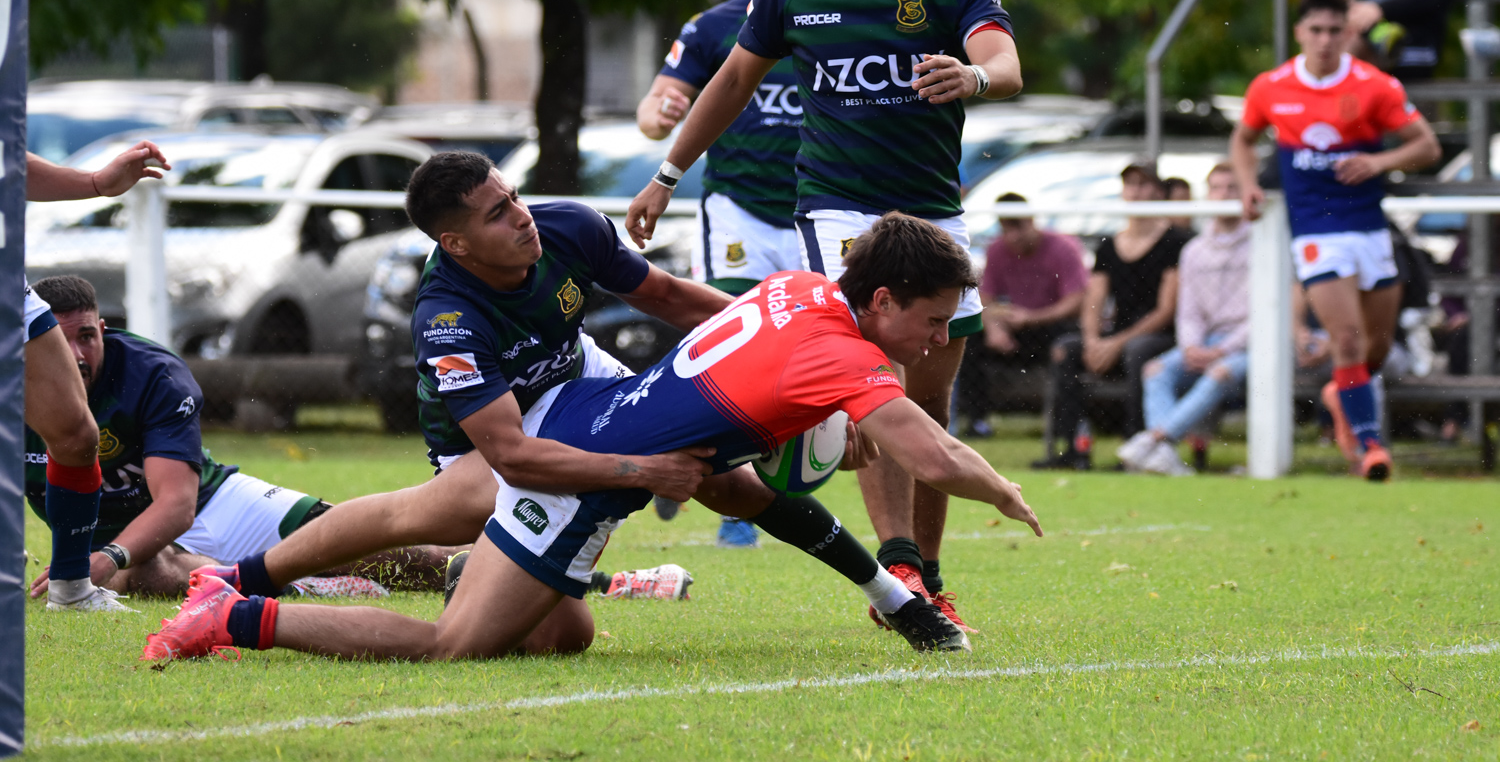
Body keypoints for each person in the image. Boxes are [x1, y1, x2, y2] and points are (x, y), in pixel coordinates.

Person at [142, 214, 1043, 663]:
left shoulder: (803, 290)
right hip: (561, 459)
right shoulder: (446, 311)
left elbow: (742, 345)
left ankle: (897, 600)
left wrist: (812, 413)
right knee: (455, 635)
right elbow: (930, 454)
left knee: (574, 627)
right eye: (931, 320)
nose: (936, 340)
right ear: (881, 301)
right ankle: (233, 611)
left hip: (595, 399)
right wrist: (1001, 489)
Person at [218, 153, 926, 641]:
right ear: (456, 244)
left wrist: (800, 354)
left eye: (514, 197)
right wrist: (643, 473)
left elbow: (669, 296)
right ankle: (243, 580)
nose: (521, 217)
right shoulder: (448, 318)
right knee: (476, 544)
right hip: (491, 434)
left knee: (730, 484)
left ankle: (889, 594)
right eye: (497, 214)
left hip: (577, 375)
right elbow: (513, 455)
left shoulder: (566, 225)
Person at [625, 0, 1022, 633]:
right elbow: (733, 81)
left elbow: (1007, 64)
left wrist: (974, 76)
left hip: (933, 209)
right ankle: (899, 567)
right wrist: (667, 174)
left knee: (932, 395)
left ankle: (928, 571)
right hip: (838, 207)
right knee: (876, 380)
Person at [636, 0, 837, 547]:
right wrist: (658, 113)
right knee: (732, 344)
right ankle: (724, 492)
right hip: (739, 213)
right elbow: (658, 103)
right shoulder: (718, 25)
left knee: (805, 355)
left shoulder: (842, 21)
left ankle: (699, 463)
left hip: (816, 216)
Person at [22, 276, 400, 599]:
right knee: (142, 570)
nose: (76, 356)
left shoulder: (152, 373)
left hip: (212, 503)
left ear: (102, 331)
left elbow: (176, 505)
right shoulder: (13, 396)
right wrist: (104, 557)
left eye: (86, 337)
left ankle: (457, 562)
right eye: (60, 342)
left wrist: (106, 559)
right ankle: (298, 588)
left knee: (392, 555)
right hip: (117, 540)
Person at [1231, 0, 1441, 480]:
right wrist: (1246, 186)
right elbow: (1242, 139)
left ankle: (1341, 394)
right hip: (1315, 231)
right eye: (1316, 30)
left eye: (1335, 31)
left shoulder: (1375, 85)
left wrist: (1378, 161)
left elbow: (1427, 146)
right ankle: (1371, 446)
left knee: (1375, 347)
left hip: (1369, 227)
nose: (1325, 40)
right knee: (1345, 340)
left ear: (1348, 34)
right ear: (1300, 33)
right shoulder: (1271, 86)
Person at [23, 140, 172, 611]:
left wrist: (94, 183)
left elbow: (9, 164)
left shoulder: (152, 370)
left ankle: (71, 587)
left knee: (74, 432)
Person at [1038, 162, 1190, 470]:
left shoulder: (1175, 242)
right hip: (1117, 336)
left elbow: (1166, 309)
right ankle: (1070, 448)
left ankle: (1134, 446)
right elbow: (1094, 300)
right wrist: (1093, 340)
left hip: (1158, 337)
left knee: (1138, 353)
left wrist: (1116, 343)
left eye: (1144, 184)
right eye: (1131, 184)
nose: (1137, 191)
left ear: (1159, 194)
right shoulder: (1110, 245)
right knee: (1065, 349)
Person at [1119, 163, 1249, 475]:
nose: (1224, 195)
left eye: (1232, 188)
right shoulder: (1194, 250)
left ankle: (1154, 440)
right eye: (1217, 188)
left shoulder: (1263, 243)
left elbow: (1265, 316)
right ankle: (1163, 454)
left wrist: (1222, 350)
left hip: (1249, 347)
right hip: (1206, 344)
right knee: (1155, 370)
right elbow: (1188, 311)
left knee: (1219, 373)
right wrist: (1191, 346)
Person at [957, 193, 1087, 433]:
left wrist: (1031, 318)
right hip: (1014, 328)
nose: (1013, 236)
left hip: (1053, 327)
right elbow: (984, 299)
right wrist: (995, 328)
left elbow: (1076, 301)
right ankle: (978, 421)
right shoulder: (997, 249)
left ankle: (1066, 427)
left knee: (1066, 345)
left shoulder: (1063, 247)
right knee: (967, 339)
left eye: (1018, 226)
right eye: (1007, 227)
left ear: (1031, 220)